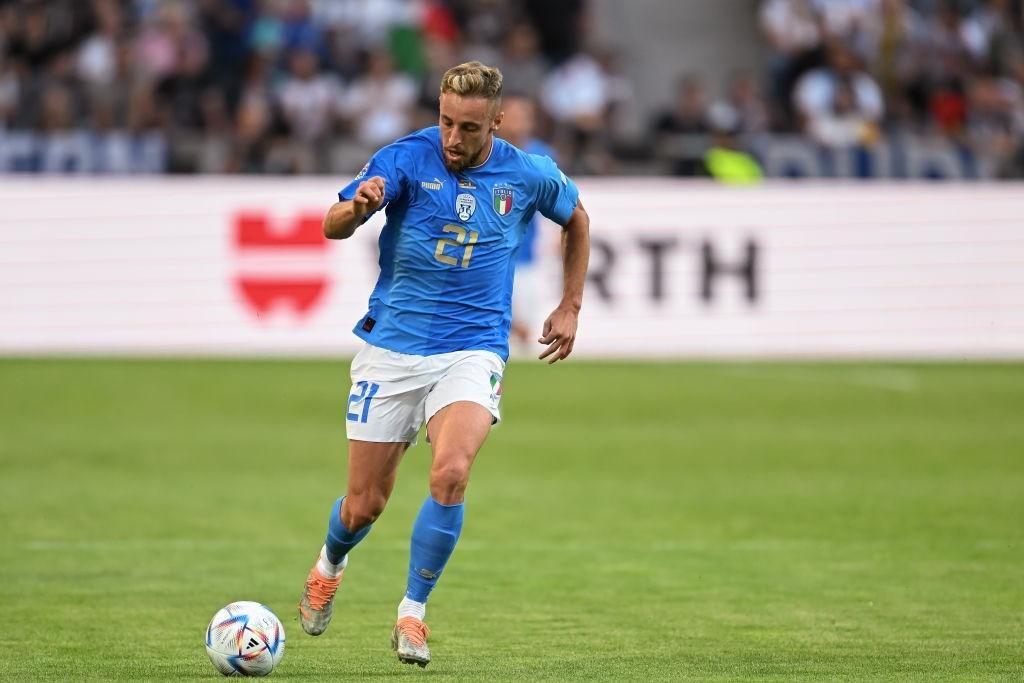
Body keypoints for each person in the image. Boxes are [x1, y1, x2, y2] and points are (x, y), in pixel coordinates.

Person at [297, 61, 590, 668]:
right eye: (446, 122)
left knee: (450, 472)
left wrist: (570, 304)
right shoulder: (404, 159)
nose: (454, 139)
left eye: (470, 128)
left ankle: (413, 612)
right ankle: (330, 563)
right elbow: (331, 223)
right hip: (393, 350)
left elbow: (578, 217)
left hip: (473, 348)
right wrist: (358, 208)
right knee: (364, 505)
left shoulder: (527, 173)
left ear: (497, 123)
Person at [497, 93, 557, 348]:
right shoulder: (484, 154)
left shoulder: (541, 156)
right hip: (492, 259)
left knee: (526, 342)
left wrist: (559, 238)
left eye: (523, 117)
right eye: (513, 116)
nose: (518, 122)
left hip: (526, 260)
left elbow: (559, 205)